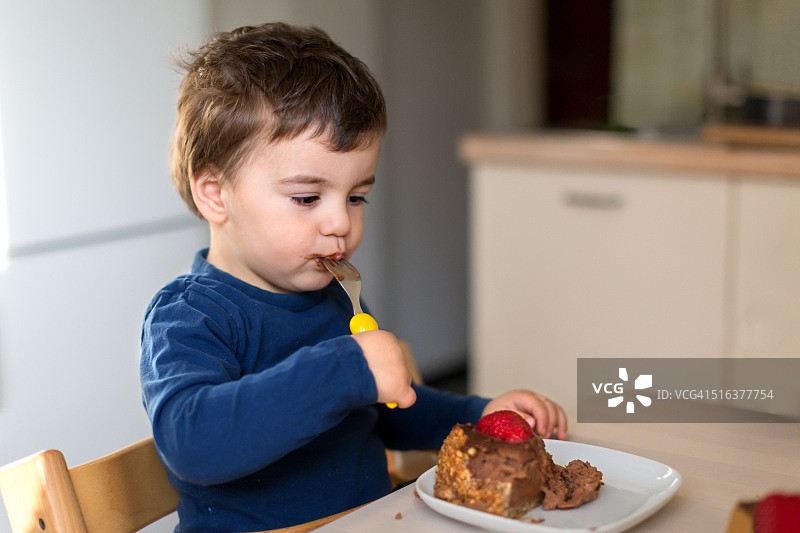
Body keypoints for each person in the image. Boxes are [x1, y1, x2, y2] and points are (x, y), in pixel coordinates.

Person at [140, 22, 567, 533]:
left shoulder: (334, 297)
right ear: (215, 194)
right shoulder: (191, 315)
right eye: (306, 198)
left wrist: (480, 413)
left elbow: (390, 411)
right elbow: (193, 444)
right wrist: (345, 370)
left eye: (356, 196)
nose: (341, 222)